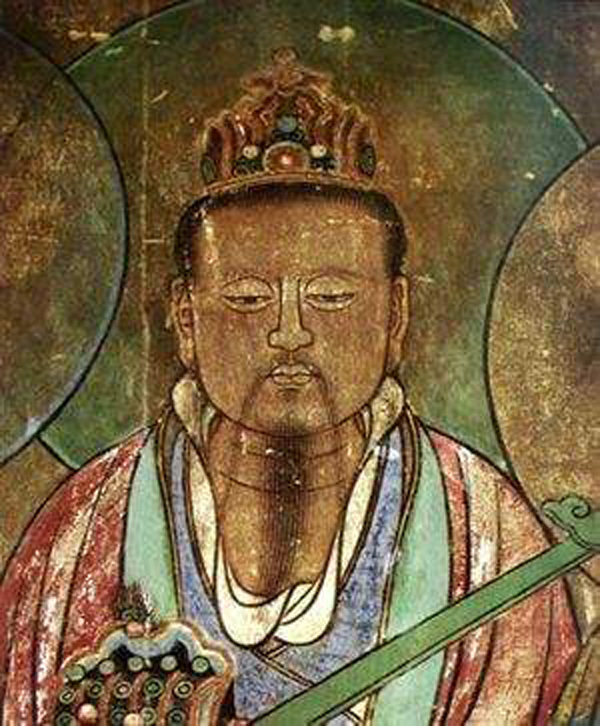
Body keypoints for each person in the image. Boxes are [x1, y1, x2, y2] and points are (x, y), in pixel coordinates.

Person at [0, 49, 579, 725]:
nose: (290, 333)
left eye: (331, 296)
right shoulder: (82, 532)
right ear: (185, 319)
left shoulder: (489, 538)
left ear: (395, 316)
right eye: (247, 298)